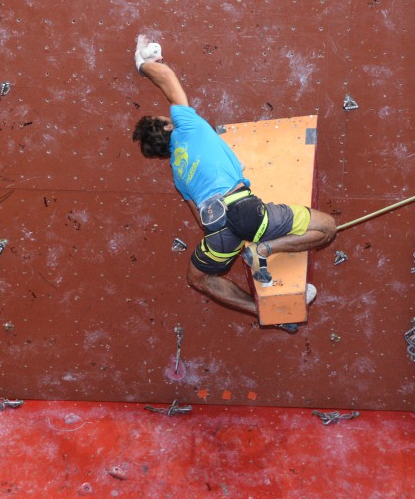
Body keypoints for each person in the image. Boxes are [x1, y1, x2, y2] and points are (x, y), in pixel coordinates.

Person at [131, 35, 337, 332]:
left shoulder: (178, 172)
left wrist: (232, 240)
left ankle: (265, 311)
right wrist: (144, 62)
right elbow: (166, 78)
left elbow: (199, 218)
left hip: (218, 231)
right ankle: (266, 249)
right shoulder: (186, 126)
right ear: (167, 125)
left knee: (198, 278)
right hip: (246, 212)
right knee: (327, 227)